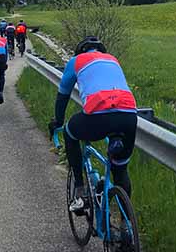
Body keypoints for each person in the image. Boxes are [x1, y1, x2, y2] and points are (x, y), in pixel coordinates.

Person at [49, 36, 138, 213]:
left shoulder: (76, 61)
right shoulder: (113, 59)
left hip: (98, 114)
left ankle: (80, 193)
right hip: (128, 114)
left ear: (80, 50)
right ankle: (125, 227)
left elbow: (63, 95)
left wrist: (57, 121)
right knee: (120, 170)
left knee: (70, 132)